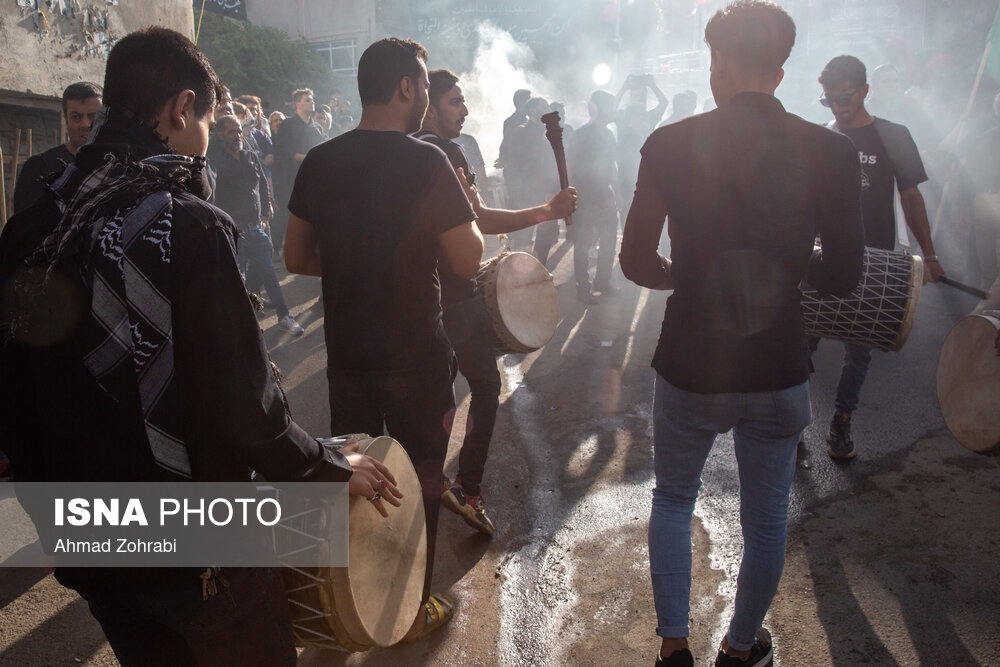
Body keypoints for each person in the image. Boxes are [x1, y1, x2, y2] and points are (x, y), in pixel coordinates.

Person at [0, 26, 399, 666]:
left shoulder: (38, 221)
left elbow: (13, 386)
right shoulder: (184, 224)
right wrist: (322, 468)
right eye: (208, 119)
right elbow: (244, 403)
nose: (208, 138)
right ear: (181, 109)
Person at [619, 2, 864, 665]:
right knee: (766, 515)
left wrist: (687, 273)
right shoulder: (832, 151)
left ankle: (674, 645)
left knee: (673, 496)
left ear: (718, 62)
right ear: (781, 73)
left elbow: (635, 261)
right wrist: (786, 265)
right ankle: (738, 646)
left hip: (691, 362)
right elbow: (844, 274)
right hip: (779, 365)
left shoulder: (668, 142)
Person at [283, 38, 485, 641]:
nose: (426, 96)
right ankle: (411, 607)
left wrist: (354, 261)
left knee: (354, 476)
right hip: (417, 357)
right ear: (405, 87)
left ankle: (350, 611)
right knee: (418, 478)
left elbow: (296, 255)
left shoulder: (318, 160)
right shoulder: (428, 160)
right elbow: (469, 258)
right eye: (423, 85)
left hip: (348, 356)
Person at [414, 68, 576, 536]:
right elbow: (480, 220)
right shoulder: (446, 151)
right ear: (427, 103)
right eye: (454, 101)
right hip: (457, 296)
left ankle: (430, 481)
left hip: (424, 296)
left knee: (437, 393)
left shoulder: (405, 151)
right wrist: (548, 210)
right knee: (484, 389)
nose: (464, 110)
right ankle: (468, 486)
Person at [815, 54, 945, 459]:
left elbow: (911, 198)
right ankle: (794, 430)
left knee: (860, 349)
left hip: (876, 259)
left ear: (865, 91)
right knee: (801, 342)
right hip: (822, 256)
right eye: (829, 99)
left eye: (845, 97)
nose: (837, 106)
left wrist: (931, 255)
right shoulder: (821, 136)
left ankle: (842, 421)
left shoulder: (894, 136)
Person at [207, 115, 303, 335]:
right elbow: (212, 199)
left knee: (270, 275)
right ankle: (241, 329)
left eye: (239, 131)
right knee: (236, 283)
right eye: (232, 132)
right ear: (220, 134)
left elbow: (260, 183)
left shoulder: (250, 156)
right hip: (234, 232)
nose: (237, 136)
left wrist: (266, 207)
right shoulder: (215, 162)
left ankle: (285, 317)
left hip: (256, 228)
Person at [12, 81, 102, 214]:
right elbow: (25, 231)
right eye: (76, 117)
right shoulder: (39, 168)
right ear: (66, 120)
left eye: (92, 116)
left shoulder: (119, 168)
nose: (85, 124)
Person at [569, 89, 623, 303]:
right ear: (600, 108)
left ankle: (603, 280)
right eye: (612, 106)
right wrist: (568, 195)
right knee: (583, 243)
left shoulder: (609, 135)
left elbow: (611, 166)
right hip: (585, 197)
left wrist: (617, 193)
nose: (615, 110)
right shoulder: (582, 134)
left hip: (605, 196)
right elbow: (569, 166)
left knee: (609, 240)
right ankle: (583, 287)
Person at [502, 97, 562, 259]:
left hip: (548, 192)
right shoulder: (522, 132)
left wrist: (553, 189)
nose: (548, 108)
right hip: (528, 192)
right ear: (532, 111)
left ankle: (539, 267)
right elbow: (516, 164)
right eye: (544, 105)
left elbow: (554, 163)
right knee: (524, 235)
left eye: (548, 105)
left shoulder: (550, 132)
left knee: (546, 232)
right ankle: (523, 272)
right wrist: (519, 190)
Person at [271, 88, 325, 254]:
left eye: (312, 99)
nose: (312, 102)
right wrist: (307, 157)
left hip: (314, 179)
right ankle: (281, 249)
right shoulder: (287, 125)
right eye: (307, 100)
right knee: (291, 215)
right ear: (297, 104)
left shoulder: (316, 126)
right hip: (293, 178)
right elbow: (283, 151)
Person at [615, 74, 668, 215]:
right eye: (636, 96)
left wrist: (653, 86)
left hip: (646, 171)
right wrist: (624, 88)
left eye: (642, 97)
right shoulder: (622, 117)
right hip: (625, 174)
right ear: (630, 97)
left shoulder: (649, 116)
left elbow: (664, 103)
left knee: (646, 213)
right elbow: (610, 107)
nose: (639, 100)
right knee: (627, 212)